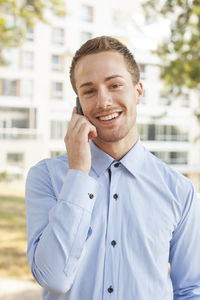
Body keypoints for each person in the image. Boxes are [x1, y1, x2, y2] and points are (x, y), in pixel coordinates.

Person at [26, 36, 200, 300]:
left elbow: (190, 289)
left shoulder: (180, 190)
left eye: (115, 85)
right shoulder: (46, 177)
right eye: (89, 91)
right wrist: (78, 174)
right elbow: (54, 278)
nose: (104, 101)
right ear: (78, 107)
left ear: (138, 91)